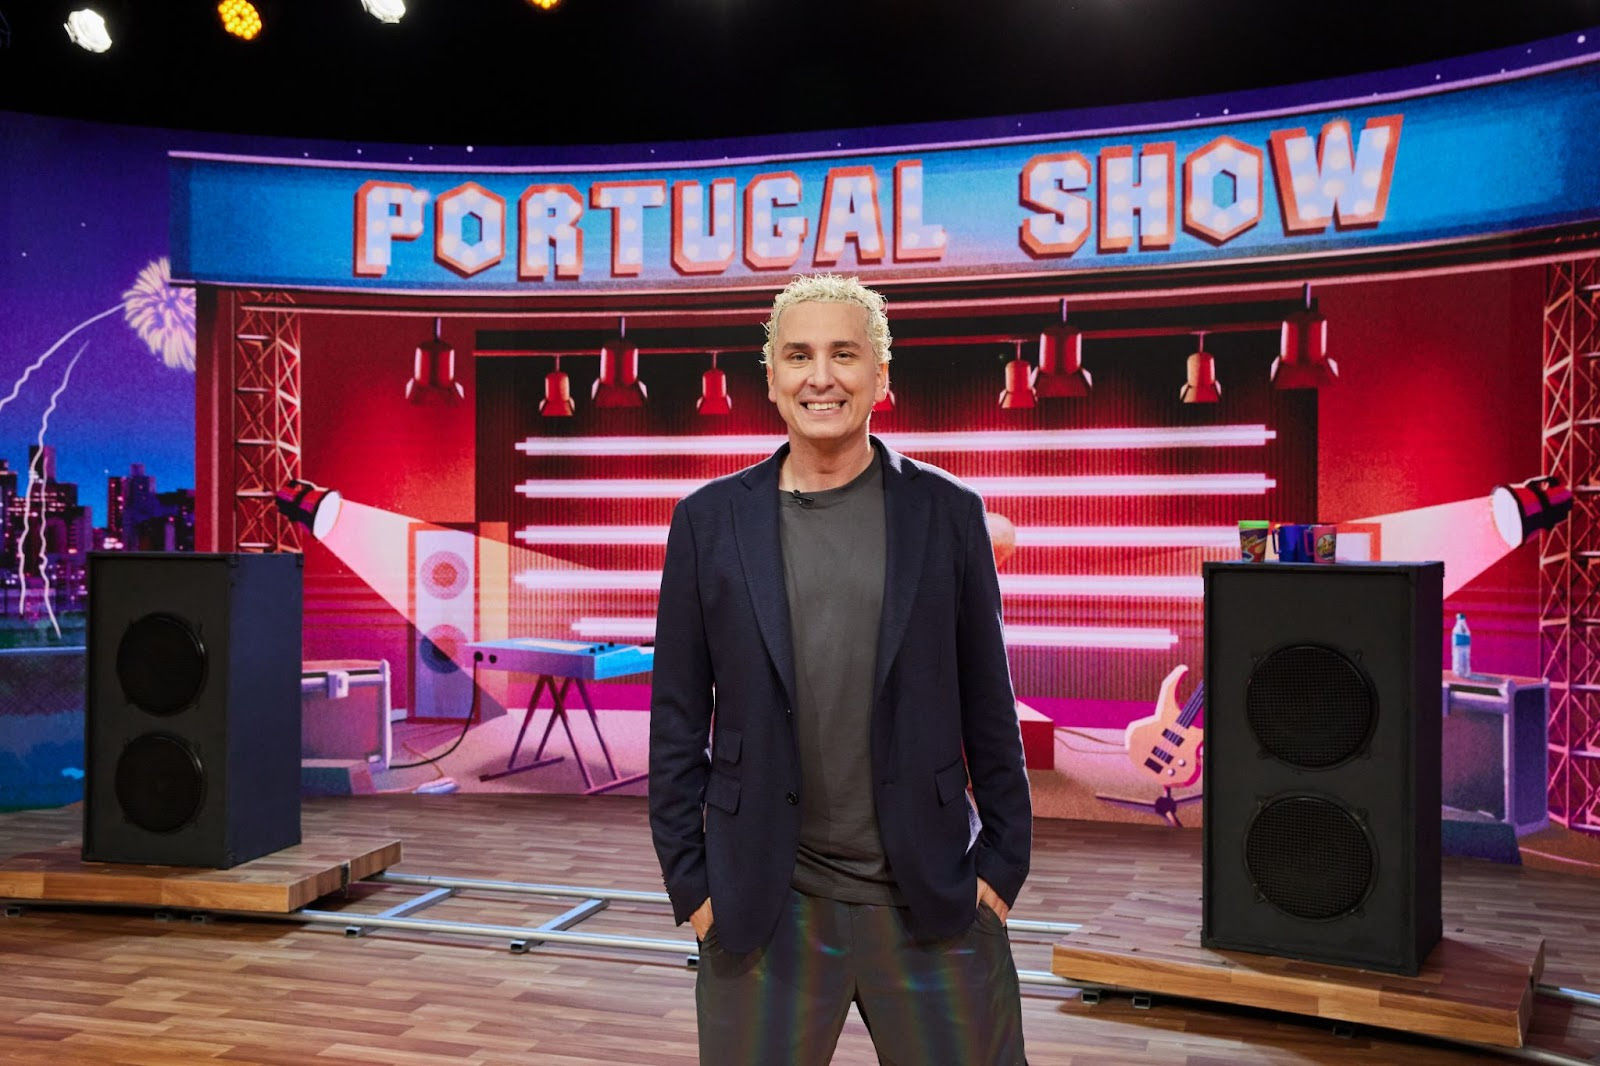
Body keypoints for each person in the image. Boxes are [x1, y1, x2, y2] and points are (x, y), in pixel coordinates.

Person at [649, 273, 1032, 1064]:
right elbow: (677, 721)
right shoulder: (707, 523)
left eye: (844, 354)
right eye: (798, 356)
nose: (820, 376)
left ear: (881, 376)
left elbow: (990, 705)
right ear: (772, 377)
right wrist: (693, 885)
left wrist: (1002, 867)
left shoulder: (950, 514)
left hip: (934, 900)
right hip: (762, 908)